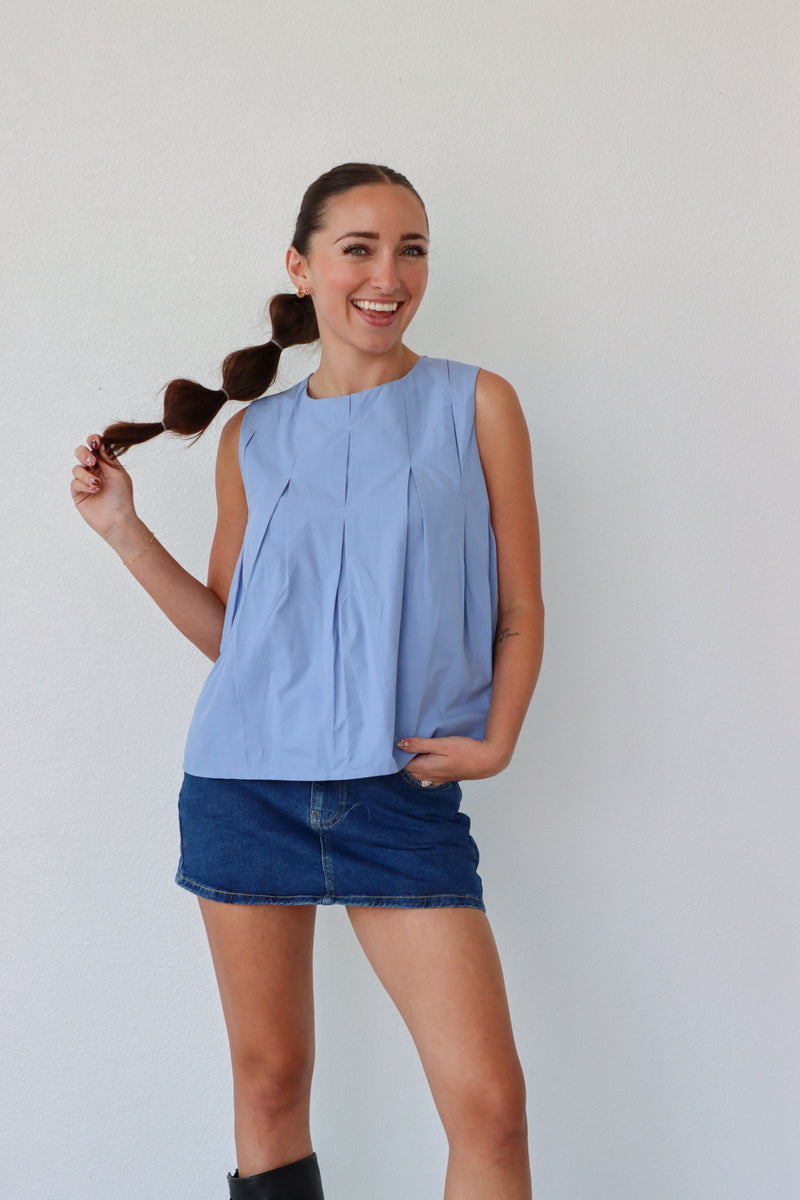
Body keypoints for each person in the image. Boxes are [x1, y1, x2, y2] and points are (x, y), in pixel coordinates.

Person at [70, 162, 544, 1200]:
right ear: (301, 265)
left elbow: (518, 606)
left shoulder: (477, 403)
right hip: (245, 790)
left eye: (410, 250)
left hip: (398, 794)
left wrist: (499, 738)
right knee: (271, 1081)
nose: (388, 276)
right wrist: (123, 530)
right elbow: (235, 639)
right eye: (357, 249)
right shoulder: (255, 435)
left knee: (489, 1111)